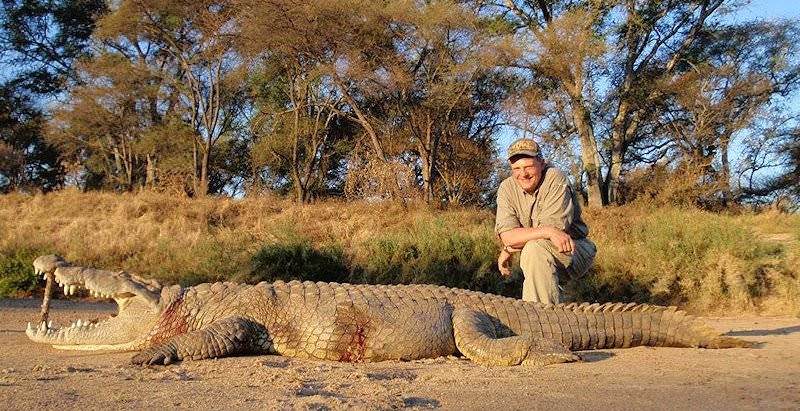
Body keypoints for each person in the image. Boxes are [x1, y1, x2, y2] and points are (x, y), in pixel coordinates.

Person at [495, 138, 596, 304]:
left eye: (528, 167)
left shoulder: (555, 177)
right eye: (516, 168)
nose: (523, 174)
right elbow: (508, 236)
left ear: (541, 163)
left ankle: (540, 323)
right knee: (533, 250)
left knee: (534, 250)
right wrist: (508, 245)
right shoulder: (506, 188)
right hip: (538, 249)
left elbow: (554, 232)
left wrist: (513, 245)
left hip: (574, 247)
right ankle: (552, 307)